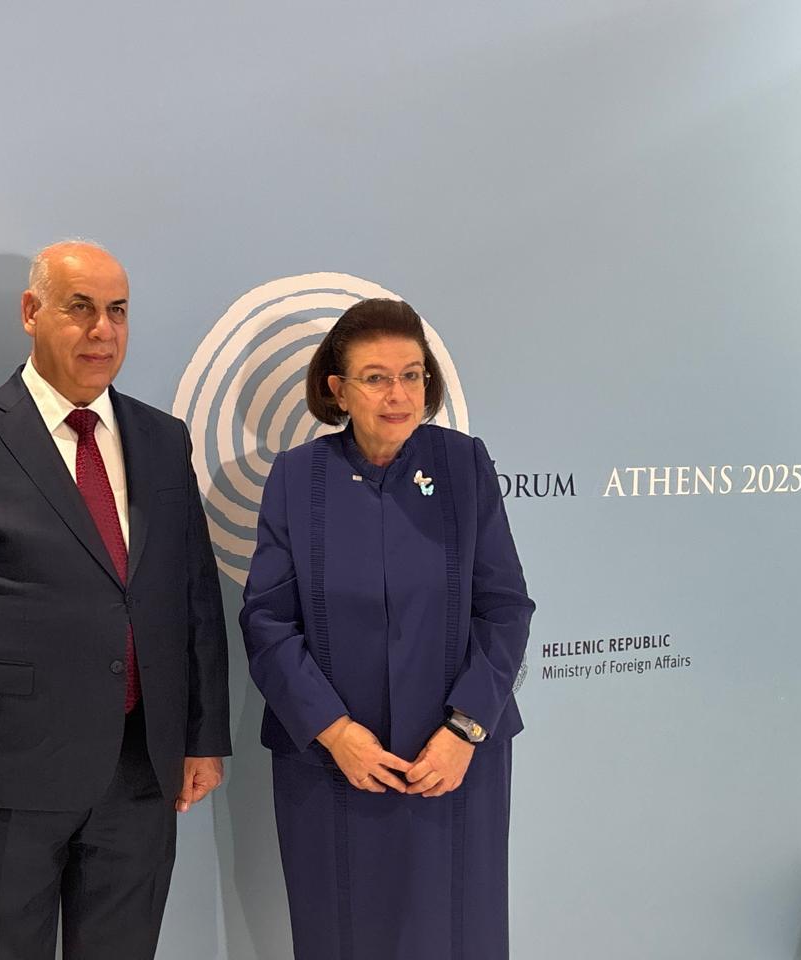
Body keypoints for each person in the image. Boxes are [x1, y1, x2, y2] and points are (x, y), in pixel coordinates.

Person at [0, 240, 231, 960]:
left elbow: (195, 598)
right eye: (80, 309)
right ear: (31, 312)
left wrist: (203, 734)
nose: (102, 330)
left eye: (118, 311)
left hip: (141, 772)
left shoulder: (162, 438)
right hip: (7, 782)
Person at [240, 298, 535, 960]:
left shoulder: (464, 464)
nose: (398, 394)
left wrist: (465, 730)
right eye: (375, 378)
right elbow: (266, 618)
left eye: (411, 375)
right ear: (337, 389)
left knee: (457, 935)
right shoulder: (296, 478)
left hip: (452, 761)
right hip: (333, 764)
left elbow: (505, 606)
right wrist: (334, 731)